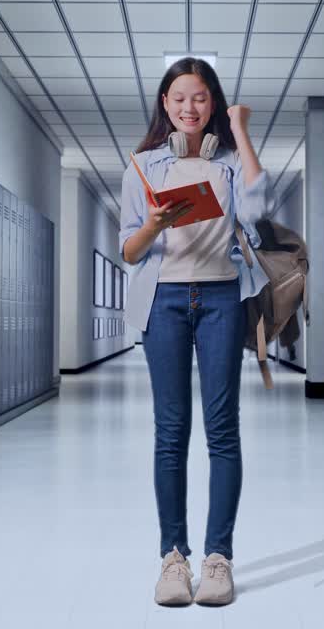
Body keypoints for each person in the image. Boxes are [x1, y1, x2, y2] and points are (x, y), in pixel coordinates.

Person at [119, 57, 269, 607]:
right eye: (180, 98)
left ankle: (218, 559)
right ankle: (173, 558)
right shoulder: (142, 166)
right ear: (165, 103)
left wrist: (243, 133)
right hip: (166, 302)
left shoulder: (228, 161)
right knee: (171, 430)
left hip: (222, 299)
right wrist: (154, 225)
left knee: (222, 429)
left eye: (200, 98)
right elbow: (129, 249)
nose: (189, 107)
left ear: (213, 103)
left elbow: (259, 206)